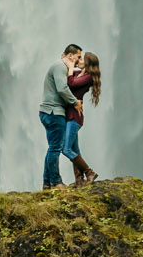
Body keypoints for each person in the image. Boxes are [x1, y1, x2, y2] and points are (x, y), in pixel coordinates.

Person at [39, 44, 83, 189]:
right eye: (78, 57)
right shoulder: (59, 67)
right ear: (70, 56)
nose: (78, 60)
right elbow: (62, 88)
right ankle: (56, 182)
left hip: (49, 112)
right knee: (56, 148)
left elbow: (74, 79)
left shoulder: (61, 66)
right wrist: (75, 102)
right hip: (53, 112)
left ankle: (47, 183)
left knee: (52, 147)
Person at [65, 51, 102, 185]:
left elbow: (71, 83)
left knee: (66, 149)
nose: (79, 60)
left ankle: (89, 172)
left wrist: (70, 67)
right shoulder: (79, 74)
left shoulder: (88, 77)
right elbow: (67, 77)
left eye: (82, 59)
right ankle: (79, 180)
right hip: (69, 115)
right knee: (75, 150)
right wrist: (67, 60)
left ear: (87, 64)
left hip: (75, 117)